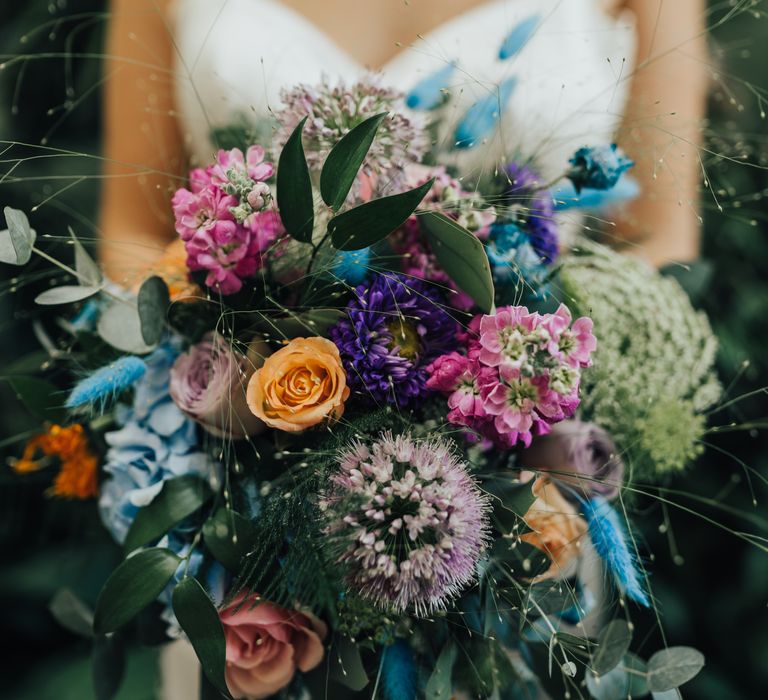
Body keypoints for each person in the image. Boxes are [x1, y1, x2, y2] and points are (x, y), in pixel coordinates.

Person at [99, 0, 707, 284]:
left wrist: (529, 389)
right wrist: (234, 376)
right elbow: (134, 233)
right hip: (240, 465)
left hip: (527, 472)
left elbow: (657, 242)